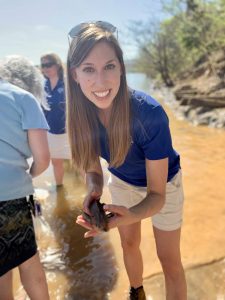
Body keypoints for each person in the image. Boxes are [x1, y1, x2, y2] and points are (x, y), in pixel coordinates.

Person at [67, 22, 187, 300]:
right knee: (129, 243)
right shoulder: (80, 117)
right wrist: (94, 191)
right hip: (122, 179)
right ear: (74, 75)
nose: (100, 82)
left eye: (109, 66)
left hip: (164, 184)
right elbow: (93, 170)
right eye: (88, 69)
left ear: (121, 67)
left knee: (169, 259)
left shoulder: (149, 114)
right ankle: (137, 291)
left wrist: (133, 213)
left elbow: (156, 195)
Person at [0, 55, 50, 300]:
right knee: (29, 262)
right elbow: (42, 159)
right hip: (12, 196)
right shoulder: (23, 98)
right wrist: (27, 177)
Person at [40, 53, 71, 187]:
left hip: (70, 133)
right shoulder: (42, 85)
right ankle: (60, 190)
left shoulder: (68, 82)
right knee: (56, 163)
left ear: (57, 65)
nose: (45, 68)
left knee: (81, 164)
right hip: (51, 133)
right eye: (43, 65)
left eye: (48, 64)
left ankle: (91, 196)